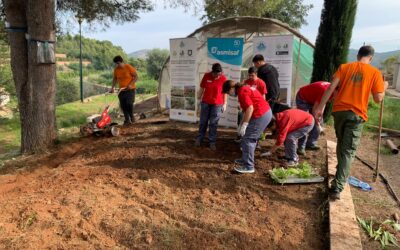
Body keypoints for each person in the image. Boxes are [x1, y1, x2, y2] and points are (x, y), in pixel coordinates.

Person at [314, 45, 388, 200]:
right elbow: (378, 98)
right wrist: (384, 87)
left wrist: (321, 106)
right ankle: (337, 187)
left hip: (339, 112)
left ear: (358, 55)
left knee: (342, 144)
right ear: (371, 58)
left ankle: (340, 171)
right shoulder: (375, 73)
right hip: (356, 114)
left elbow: (330, 89)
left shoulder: (344, 68)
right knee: (348, 151)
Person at [222, 80, 272, 174]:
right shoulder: (244, 88)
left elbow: (250, 108)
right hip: (263, 112)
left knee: (248, 139)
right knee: (247, 138)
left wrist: (245, 125)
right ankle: (245, 159)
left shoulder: (242, 91)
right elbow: (246, 110)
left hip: (261, 114)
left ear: (232, 88)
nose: (229, 94)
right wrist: (241, 124)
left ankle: (249, 166)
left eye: (228, 92)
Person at [195, 63, 227, 151]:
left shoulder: (223, 79)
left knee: (213, 123)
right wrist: (198, 99)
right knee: (203, 122)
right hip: (206, 103)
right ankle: (199, 138)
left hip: (217, 104)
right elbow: (202, 88)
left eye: (219, 74)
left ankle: (212, 142)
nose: (217, 76)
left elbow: (225, 92)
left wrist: (225, 103)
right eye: (215, 74)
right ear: (212, 72)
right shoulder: (206, 76)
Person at [295, 81, 333, 152]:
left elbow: (323, 103)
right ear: (335, 90)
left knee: (319, 121)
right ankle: (301, 147)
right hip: (303, 98)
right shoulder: (325, 91)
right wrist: (316, 120)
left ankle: (311, 144)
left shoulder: (331, 90)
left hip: (313, 99)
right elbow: (314, 109)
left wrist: (320, 114)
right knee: (305, 122)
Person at [110, 55, 138, 126]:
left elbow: (136, 77)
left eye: (118, 63)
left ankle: (132, 117)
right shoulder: (116, 70)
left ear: (121, 62)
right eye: (116, 64)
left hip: (130, 90)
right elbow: (115, 79)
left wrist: (130, 84)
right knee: (123, 105)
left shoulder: (128, 67)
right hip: (121, 90)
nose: (117, 65)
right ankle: (127, 120)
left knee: (129, 103)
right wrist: (112, 87)